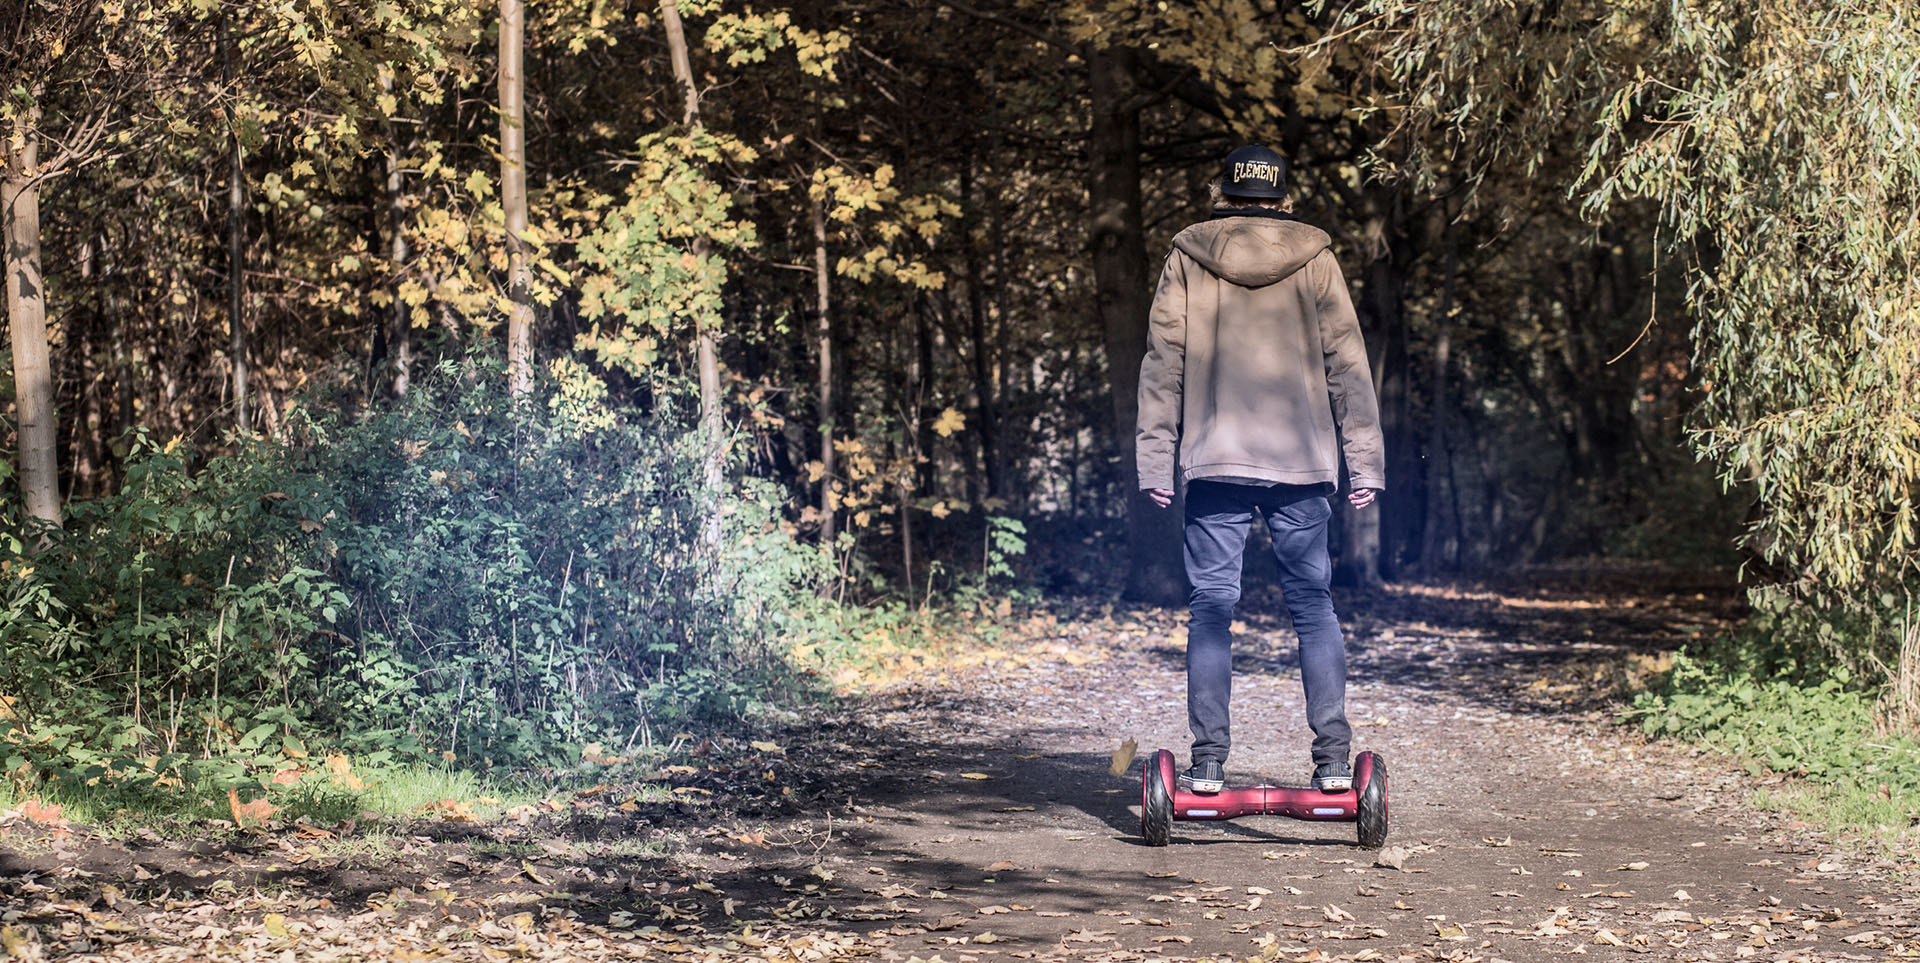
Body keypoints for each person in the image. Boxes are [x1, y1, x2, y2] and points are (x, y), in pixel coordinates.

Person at [1135, 144, 1385, 794]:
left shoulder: (1188, 257)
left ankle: (1208, 762)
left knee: (1211, 608)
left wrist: (1156, 459)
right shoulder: (1317, 258)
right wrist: (1364, 464)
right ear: (1283, 197)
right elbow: (1348, 364)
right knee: (1313, 606)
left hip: (1215, 460)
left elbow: (1162, 362)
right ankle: (1334, 760)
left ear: (1222, 194)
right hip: (1301, 462)